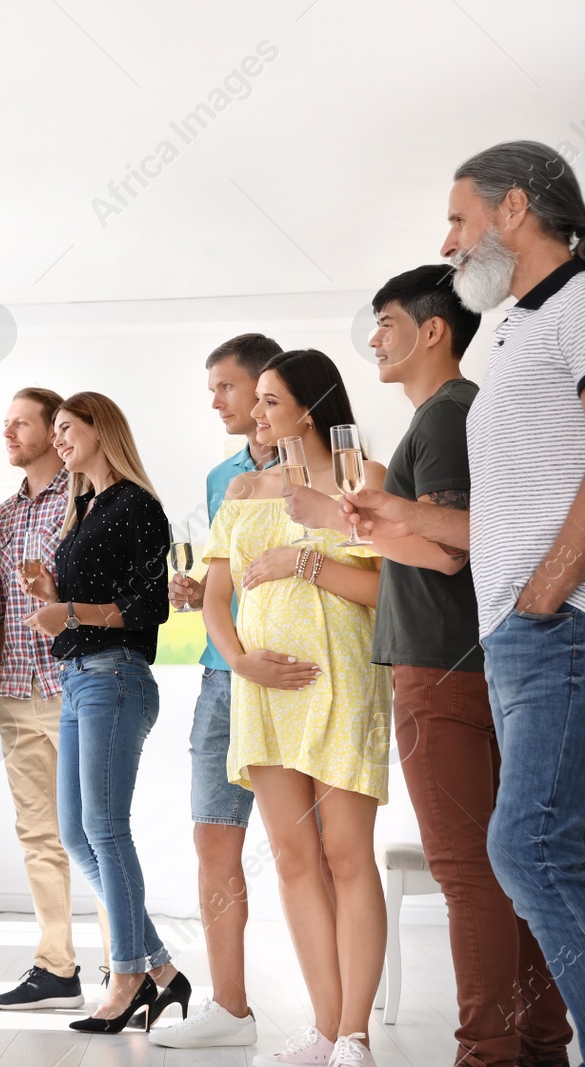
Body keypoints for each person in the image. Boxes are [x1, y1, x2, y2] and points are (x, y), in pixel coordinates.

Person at [287, 265, 572, 1067]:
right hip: (471, 666)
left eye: (384, 322)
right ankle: (536, 1044)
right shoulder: (458, 415)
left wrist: (339, 523)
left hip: (441, 673)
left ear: (433, 329)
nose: (373, 339)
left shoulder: (447, 416)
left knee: (466, 870)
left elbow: (449, 549)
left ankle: (488, 1051)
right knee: (512, 867)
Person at [199, 350, 389, 1067]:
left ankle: (355, 1034)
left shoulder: (361, 480)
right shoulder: (245, 487)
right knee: (291, 856)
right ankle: (322, 1025)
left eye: (271, 402)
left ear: (310, 406)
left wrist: (304, 562)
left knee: (345, 853)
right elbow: (218, 598)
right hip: (262, 693)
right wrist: (240, 659)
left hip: (343, 683)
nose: (256, 415)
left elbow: (387, 593)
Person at [440, 140, 585, 1030]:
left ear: (514, 209)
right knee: (549, 848)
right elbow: (515, 503)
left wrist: (549, 590)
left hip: (556, 626)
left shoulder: (580, 304)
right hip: (519, 634)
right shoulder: (517, 327)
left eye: (459, 216)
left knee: (525, 849)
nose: (449, 239)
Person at [19, 391, 189, 1034]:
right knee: (75, 836)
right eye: (54, 430)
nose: (58, 439)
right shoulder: (83, 506)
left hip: (116, 678)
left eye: (67, 428)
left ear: (100, 428)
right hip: (78, 678)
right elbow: (95, 598)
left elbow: (150, 607)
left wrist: (73, 612)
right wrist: (54, 594)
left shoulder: (136, 506)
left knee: (105, 831)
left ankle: (126, 978)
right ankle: (163, 972)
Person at [152, 333, 281, 1049]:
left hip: (292, 679)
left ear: (266, 383)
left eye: (225, 386)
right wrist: (199, 589)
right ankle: (230, 1009)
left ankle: (338, 1021)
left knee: (314, 853)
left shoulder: (318, 465)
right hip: (218, 678)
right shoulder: (219, 477)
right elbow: (226, 578)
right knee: (213, 841)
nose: (215, 400)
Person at [0, 388, 88, 1012]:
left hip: (70, 683)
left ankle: (128, 969)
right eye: (5, 424)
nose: (8, 432)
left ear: (54, 431)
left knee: (93, 833)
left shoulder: (85, 495)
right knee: (38, 835)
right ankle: (57, 967)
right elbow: (2, 601)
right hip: (13, 688)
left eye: (20, 423)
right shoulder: (1, 515)